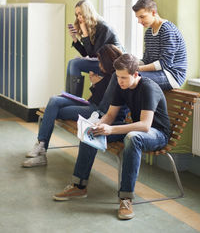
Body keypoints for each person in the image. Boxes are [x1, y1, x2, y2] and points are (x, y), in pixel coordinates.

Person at [53, 54, 170, 220]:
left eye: (124, 77)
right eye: (118, 77)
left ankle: (126, 199)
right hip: (136, 129)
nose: (120, 81)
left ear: (136, 74)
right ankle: (79, 186)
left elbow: (145, 125)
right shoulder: (121, 86)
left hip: (157, 134)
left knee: (132, 138)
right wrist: (100, 125)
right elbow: (110, 114)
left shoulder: (148, 87)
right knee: (92, 132)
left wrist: (111, 130)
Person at [22, 45, 125, 168]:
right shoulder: (107, 74)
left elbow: (103, 105)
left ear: (107, 62)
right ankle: (41, 146)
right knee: (54, 100)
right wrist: (95, 84)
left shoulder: (116, 77)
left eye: (100, 62)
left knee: (55, 110)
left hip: (94, 111)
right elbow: (95, 98)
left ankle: (41, 150)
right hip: (90, 105)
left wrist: (96, 83)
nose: (99, 65)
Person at [66, 0, 124, 96]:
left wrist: (85, 34)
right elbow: (85, 53)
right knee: (71, 63)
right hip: (102, 62)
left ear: (87, 12)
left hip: (112, 64)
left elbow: (93, 54)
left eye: (81, 13)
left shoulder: (104, 27)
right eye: (77, 15)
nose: (79, 17)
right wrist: (74, 38)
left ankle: (73, 98)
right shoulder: (91, 26)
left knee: (74, 64)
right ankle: (69, 96)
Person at [132, 0, 187, 91]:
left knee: (130, 79)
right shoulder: (149, 32)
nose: (139, 21)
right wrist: (131, 64)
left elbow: (165, 64)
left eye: (142, 17)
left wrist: (137, 68)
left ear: (153, 13)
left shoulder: (167, 30)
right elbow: (147, 60)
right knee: (120, 75)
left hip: (172, 75)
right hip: (157, 72)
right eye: (137, 18)